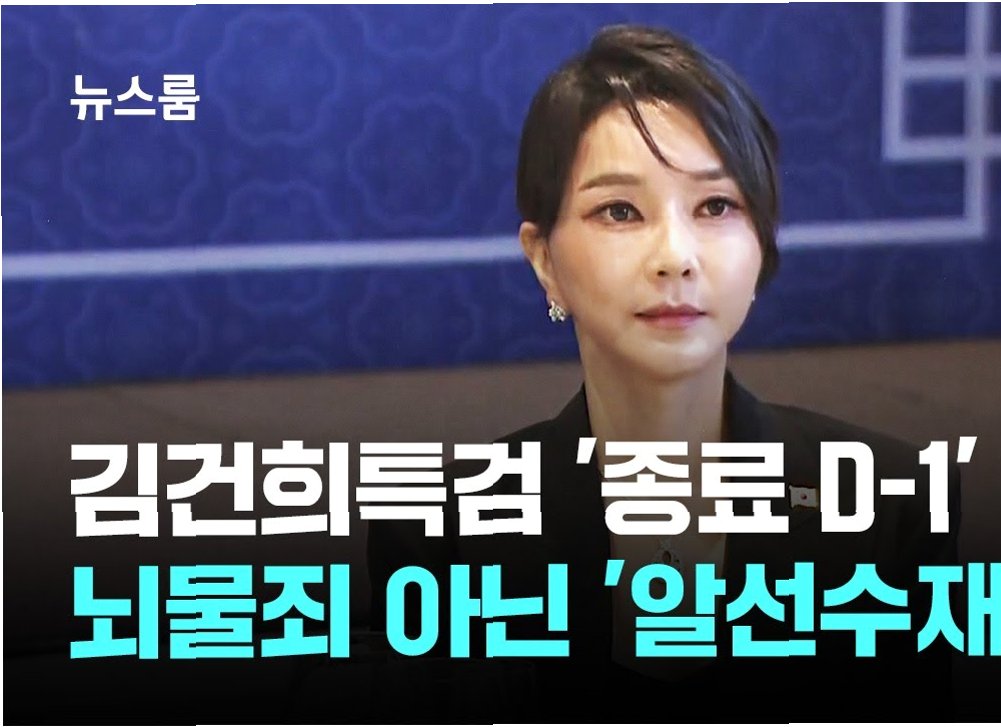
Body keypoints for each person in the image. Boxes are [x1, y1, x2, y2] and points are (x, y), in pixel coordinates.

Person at [367, 24, 961, 723]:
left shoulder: (890, 505)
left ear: (761, 242)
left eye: (716, 206)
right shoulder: (438, 532)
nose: (675, 256)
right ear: (544, 258)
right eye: (619, 211)